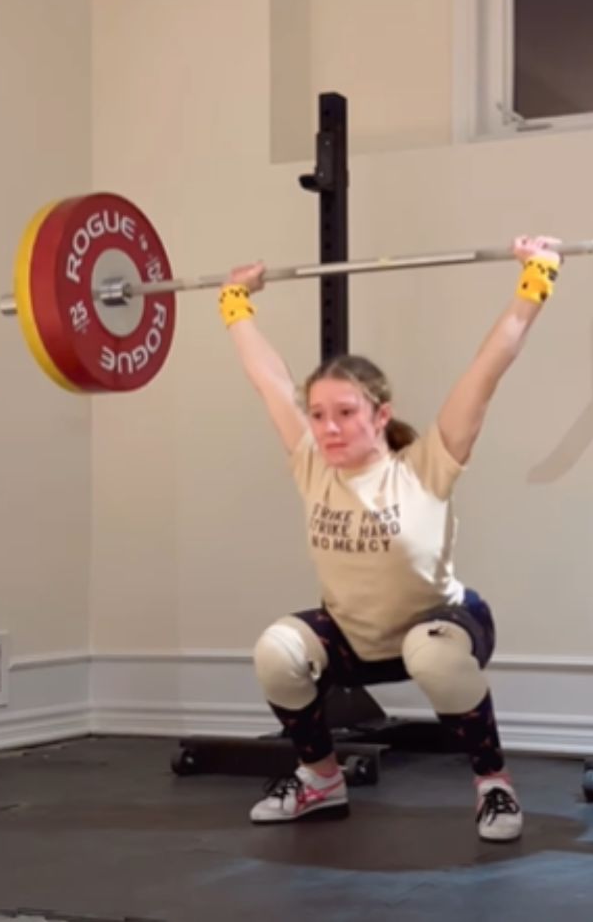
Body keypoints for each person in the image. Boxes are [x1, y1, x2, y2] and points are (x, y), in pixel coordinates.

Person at [221, 235, 565, 843]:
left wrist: (535, 279)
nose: (327, 427)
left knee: (429, 653)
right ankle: (320, 779)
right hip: (354, 639)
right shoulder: (312, 464)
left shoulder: (427, 465)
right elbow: (267, 379)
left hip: (444, 623)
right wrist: (235, 303)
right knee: (275, 651)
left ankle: (495, 785)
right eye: (319, 413)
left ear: (381, 415)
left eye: (345, 413)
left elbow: (489, 369)